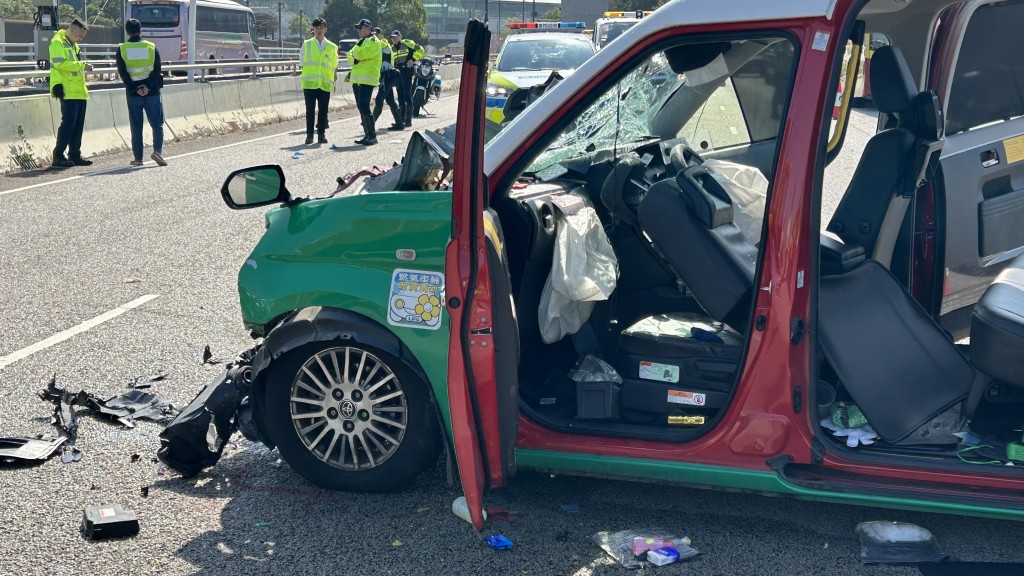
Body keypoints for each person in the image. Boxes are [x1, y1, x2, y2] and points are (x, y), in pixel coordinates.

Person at [116, 18, 167, 167]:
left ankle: (138, 158)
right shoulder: (151, 47)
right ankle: (157, 152)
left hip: (133, 94)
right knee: (157, 124)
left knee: (136, 126)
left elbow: (123, 73)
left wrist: (136, 88)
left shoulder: (122, 49)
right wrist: (147, 87)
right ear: (140, 30)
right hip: (152, 92)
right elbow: (157, 70)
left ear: (127, 32)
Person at [50, 19, 93, 168]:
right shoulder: (57, 43)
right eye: (80, 35)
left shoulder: (73, 45)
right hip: (67, 90)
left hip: (79, 90)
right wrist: (82, 65)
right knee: (68, 125)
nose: (81, 39)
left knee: (77, 125)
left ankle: (75, 154)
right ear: (72, 30)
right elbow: (60, 64)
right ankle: (58, 155)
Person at [299, 18, 338, 144]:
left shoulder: (332, 47)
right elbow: (301, 62)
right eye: (316, 28)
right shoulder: (307, 44)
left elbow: (334, 65)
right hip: (310, 83)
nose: (319, 30)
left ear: (325, 29)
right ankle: (309, 135)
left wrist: (333, 79)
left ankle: (321, 135)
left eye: (321, 27)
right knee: (310, 111)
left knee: (323, 111)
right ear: (313, 29)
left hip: (325, 83)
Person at [346, 18, 382, 145]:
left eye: (360, 28)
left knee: (364, 106)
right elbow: (350, 56)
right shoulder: (360, 42)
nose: (358, 30)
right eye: (358, 28)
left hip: (367, 78)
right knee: (361, 107)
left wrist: (356, 56)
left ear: (368, 28)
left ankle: (372, 136)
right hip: (357, 79)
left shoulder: (374, 41)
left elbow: (360, 54)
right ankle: (367, 135)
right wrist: (356, 58)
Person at [371, 27, 403, 131]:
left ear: (381, 35)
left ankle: (370, 123)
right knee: (390, 100)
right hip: (386, 76)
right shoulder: (381, 44)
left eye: (376, 35)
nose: (374, 37)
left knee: (379, 100)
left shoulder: (382, 43)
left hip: (387, 76)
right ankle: (399, 123)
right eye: (373, 35)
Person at [390, 30, 423, 127]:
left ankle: (408, 121)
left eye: (396, 37)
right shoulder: (392, 48)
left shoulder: (407, 43)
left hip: (406, 72)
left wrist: (413, 59)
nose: (394, 39)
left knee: (407, 95)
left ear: (400, 37)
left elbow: (420, 50)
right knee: (400, 96)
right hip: (398, 73)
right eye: (392, 37)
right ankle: (401, 120)